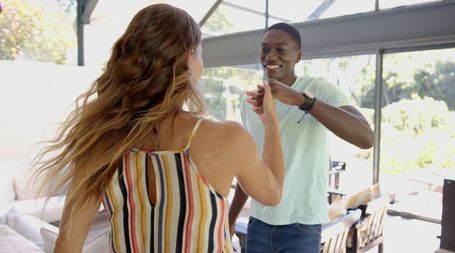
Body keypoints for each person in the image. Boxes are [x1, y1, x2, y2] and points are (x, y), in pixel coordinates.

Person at [34, 4, 285, 253]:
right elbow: (272, 194)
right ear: (188, 57)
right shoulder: (229, 138)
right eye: (200, 52)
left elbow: (66, 246)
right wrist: (271, 120)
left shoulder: (100, 142)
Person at [228, 22, 375, 253]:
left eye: (281, 49)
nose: (270, 55)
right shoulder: (251, 102)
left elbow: (366, 137)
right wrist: (231, 217)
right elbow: (252, 168)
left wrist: (301, 100)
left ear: (298, 56)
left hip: (302, 226)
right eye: (265, 49)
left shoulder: (318, 88)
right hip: (258, 223)